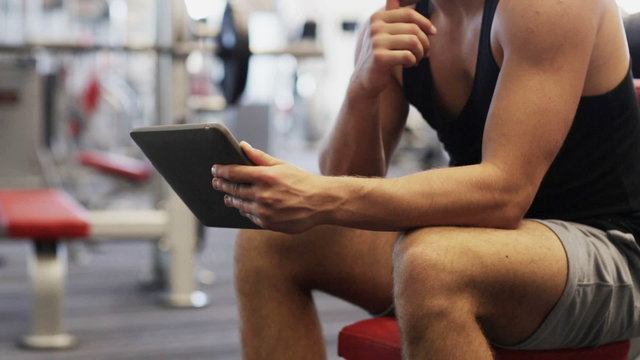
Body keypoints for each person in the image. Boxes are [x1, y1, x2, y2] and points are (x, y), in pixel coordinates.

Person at [210, 0, 640, 358]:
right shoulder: (403, 17)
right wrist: (363, 89)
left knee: (433, 261)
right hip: (491, 240)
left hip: (612, 248)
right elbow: (344, 189)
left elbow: (505, 194)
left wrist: (324, 196)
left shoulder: (547, 6)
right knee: (269, 240)